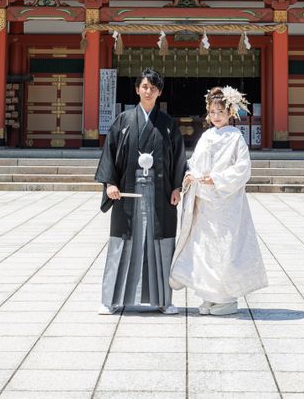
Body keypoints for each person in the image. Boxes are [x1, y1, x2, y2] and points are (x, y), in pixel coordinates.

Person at [94, 68, 187, 315]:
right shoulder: (123, 121)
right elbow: (110, 155)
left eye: (153, 88)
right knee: (122, 242)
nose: (148, 91)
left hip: (160, 194)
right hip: (128, 193)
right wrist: (110, 184)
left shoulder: (167, 125)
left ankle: (163, 301)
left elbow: (178, 158)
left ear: (159, 92)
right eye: (144, 87)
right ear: (137, 89)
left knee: (161, 243)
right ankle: (111, 300)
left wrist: (177, 186)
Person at [170, 86, 268, 315]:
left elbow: (243, 169)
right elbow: (195, 162)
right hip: (204, 203)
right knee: (204, 248)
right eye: (212, 111)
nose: (216, 116)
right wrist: (190, 175)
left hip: (225, 203)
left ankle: (226, 298)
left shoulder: (235, 137)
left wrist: (216, 178)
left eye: (220, 112)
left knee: (224, 248)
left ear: (230, 112)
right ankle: (208, 295)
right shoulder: (206, 136)